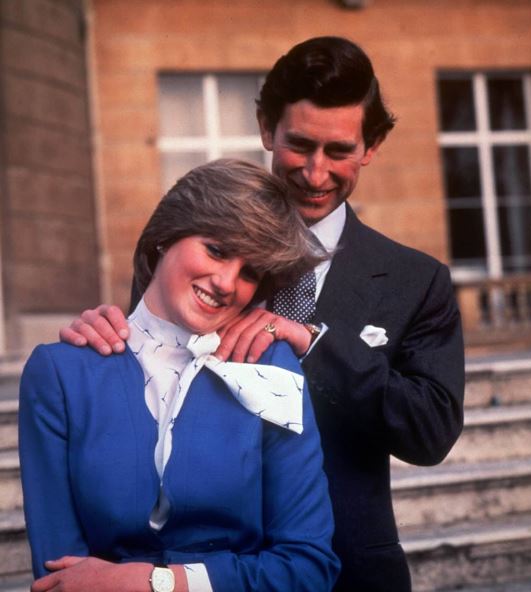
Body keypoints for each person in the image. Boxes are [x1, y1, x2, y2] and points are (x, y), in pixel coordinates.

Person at [59, 37, 465, 591]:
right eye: (300, 145)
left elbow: (430, 433)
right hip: (206, 572)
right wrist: (102, 342)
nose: (316, 173)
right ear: (267, 128)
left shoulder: (417, 280)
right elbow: (144, 391)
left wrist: (312, 343)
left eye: (339, 151)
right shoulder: (193, 256)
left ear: (371, 146)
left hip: (353, 571)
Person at [19, 159, 340, 592]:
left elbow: (307, 567)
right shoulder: (60, 373)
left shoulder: (271, 369)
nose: (226, 282)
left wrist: (157, 583)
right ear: (166, 235)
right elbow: (59, 575)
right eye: (217, 250)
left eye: (250, 272)